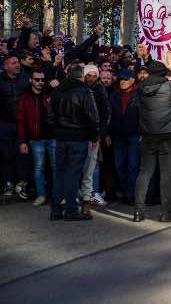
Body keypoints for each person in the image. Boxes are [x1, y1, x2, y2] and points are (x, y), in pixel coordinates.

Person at [132, 52, 171, 223]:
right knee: (167, 176)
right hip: (168, 136)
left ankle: (138, 211)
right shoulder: (169, 87)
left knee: (144, 173)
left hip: (148, 136)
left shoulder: (141, 88)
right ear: (165, 74)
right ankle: (166, 212)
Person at [48, 64, 99, 221]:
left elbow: (49, 116)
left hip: (61, 138)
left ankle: (56, 210)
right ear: (81, 76)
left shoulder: (57, 91)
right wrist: (94, 137)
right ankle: (71, 210)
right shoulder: (85, 92)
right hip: (78, 138)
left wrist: (57, 131)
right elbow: (92, 117)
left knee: (59, 173)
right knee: (72, 174)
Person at [16, 70, 55, 206]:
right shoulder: (24, 98)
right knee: (39, 168)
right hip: (35, 138)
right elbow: (21, 121)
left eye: (42, 80)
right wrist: (22, 141)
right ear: (31, 80)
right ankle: (41, 194)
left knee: (56, 167)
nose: (40, 82)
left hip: (52, 137)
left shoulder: (49, 95)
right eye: (37, 79)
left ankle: (58, 195)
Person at [79, 64, 111, 208]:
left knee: (94, 165)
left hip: (94, 134)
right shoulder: (79, 89)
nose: (91, 78)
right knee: (78, 164)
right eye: (88, 75)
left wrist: (101, 133)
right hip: (79, 133)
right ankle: (79, 193)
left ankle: (93, 193)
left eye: (94, 75)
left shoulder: (100, 90)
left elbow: (105, 113)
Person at [107, 69, 140, 205]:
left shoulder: (139, 95)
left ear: (132, 81)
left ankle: (130, 194)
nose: (122, 82)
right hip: (118, 135)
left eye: (125, 79)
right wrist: (108, 133)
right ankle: (125, 190)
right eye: (120, 79)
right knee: (119, 165)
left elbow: (144, 115)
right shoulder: (114, 95)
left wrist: (143, 132)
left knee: (133, 165)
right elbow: (108, 115)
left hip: (134, 135)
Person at [0, 54, 30, 197]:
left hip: (22, 124)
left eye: (18, 62)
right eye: (13, 63)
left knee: (22, 154)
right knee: (6, 155)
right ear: (5, 66)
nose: (17, 65)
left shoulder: (25, 79)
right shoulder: (0, 81)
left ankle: (21, 185)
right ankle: (7, 184)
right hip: (4, 124)